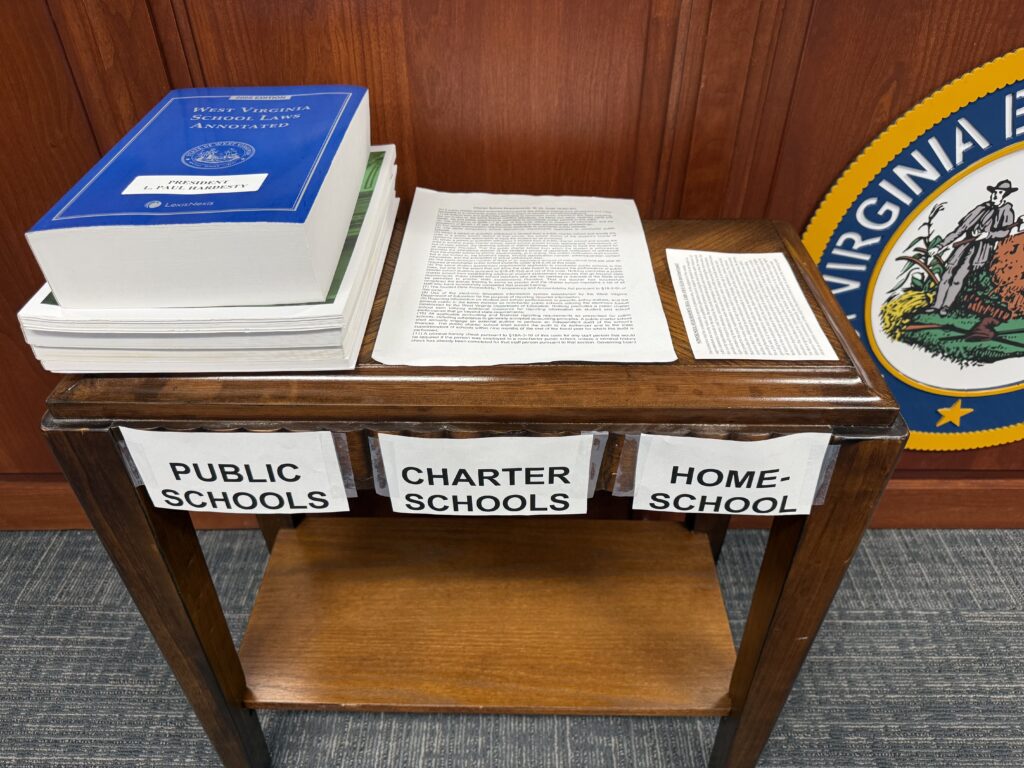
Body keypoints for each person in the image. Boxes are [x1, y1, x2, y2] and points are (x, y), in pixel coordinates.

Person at [930, 179, 1017, 315]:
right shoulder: (981, 208)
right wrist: (940, 246)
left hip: (980, 249)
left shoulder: (1007, 211)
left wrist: (988, 235)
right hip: (964, 245)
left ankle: (946, 307)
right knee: (947, 274)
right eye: (994, 192)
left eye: (999, 192)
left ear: (1005, 195)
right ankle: (936, 305)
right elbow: (960, 229)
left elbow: (1005, 232)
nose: (995, 195)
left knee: (959, 278)